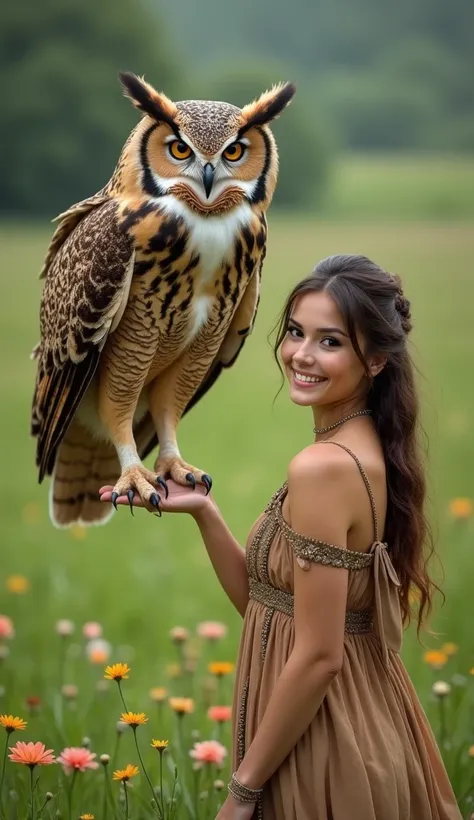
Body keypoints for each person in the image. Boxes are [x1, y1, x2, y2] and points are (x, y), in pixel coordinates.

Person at [100, 254, 461, 820]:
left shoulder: (323, 468)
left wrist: (242, 793)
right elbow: (275, 611)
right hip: (361, 725)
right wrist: (206, 513)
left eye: (330, 341)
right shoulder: (366, 446)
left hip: (326, 748)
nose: (301, 355)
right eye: (296, 332)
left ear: (376, 360)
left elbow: (319, 656)